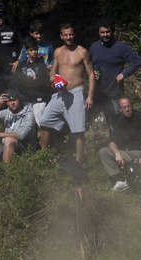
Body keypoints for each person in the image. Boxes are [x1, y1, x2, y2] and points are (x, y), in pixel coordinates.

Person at [38, 23, 95, 163]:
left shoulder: (82, 52)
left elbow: (91, 75)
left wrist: (90, 96)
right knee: (44, 122)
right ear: (61, 36)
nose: (68, 37)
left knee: (78, 130)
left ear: (74, 35)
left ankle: (78, 162)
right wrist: (52, 76)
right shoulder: (58, 51)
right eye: (66, 35)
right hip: (60, 93)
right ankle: (44, 156)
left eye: (71, 34)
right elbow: (53, 71)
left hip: (76, 93)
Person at [98, 96, 141, 211]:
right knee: (103, 152)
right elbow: (112, 142)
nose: (127, 109)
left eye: (129, 106)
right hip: (127, 153)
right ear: (120, 109)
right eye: (124, 107)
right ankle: (121, 180)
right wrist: (117, 153)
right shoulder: (119, 120)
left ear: (132, 106)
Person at [88, 18, 141, 126]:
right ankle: (72, 142)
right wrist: (92, 73)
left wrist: (124, 73)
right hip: (96, 92)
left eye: (108, 32)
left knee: (116, 125)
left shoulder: (120, 47)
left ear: (112, 32)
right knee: (83, 119)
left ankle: (119, 142)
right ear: (98, 33)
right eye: (102, 32)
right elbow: (87, 65)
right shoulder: (94, 47)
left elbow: (138, 61)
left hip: (114, 93)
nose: (105, 35)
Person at [13, 37, 53, 127]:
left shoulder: (41, 64)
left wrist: (26, 81)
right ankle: (32, 141)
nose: (34, 52)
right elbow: (18, 81)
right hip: (25, 99)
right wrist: (32, 80)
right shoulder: (21, 65)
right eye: (31, 50)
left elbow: (41, 82)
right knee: (27, 124)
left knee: (40, 123)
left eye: (35, 49)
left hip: (39, 99)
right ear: (26, 51)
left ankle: (45, 140)